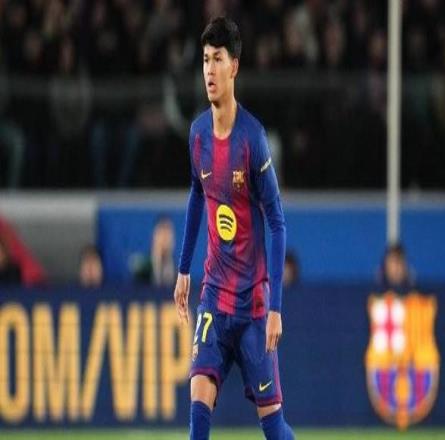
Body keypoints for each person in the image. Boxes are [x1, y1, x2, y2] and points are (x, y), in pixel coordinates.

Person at [173, 17, 294, 440]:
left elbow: (276, 221)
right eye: (205, 60)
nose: (209, 70)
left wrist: (275, 306)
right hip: (213, 300)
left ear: (234, 67)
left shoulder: (252, 139)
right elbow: (196, 194)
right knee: (198, 411)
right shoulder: (197, 135)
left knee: (273, 426)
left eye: (218, 59)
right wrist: (183, 268)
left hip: (253, 309)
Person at [132, 217, 176, 286]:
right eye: (161, 232)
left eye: (168, 232)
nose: (164, 237)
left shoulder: (180, 276)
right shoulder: (142, 272)